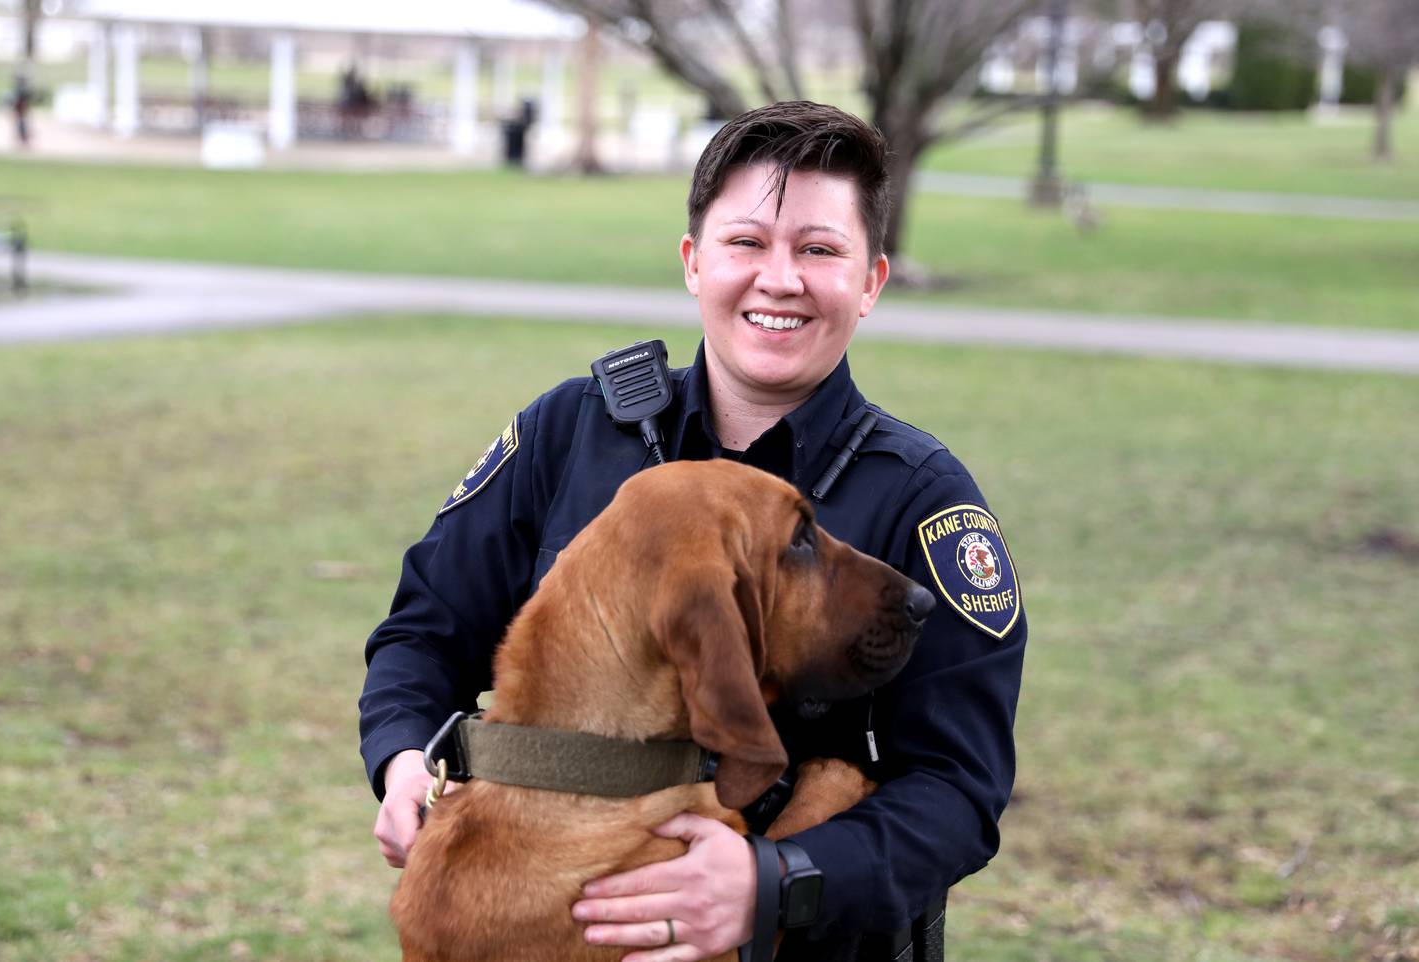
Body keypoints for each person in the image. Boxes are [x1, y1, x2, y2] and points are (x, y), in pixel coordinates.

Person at [360, 100, 1026, 961]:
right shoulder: (573, 431)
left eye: (819, 250)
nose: (779, 280)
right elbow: (425, 632)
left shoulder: (922, 500)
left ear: (871, 281)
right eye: (746, 243)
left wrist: (777, 881)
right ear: (693, 262)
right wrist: (404, 758)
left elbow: (959, 792)